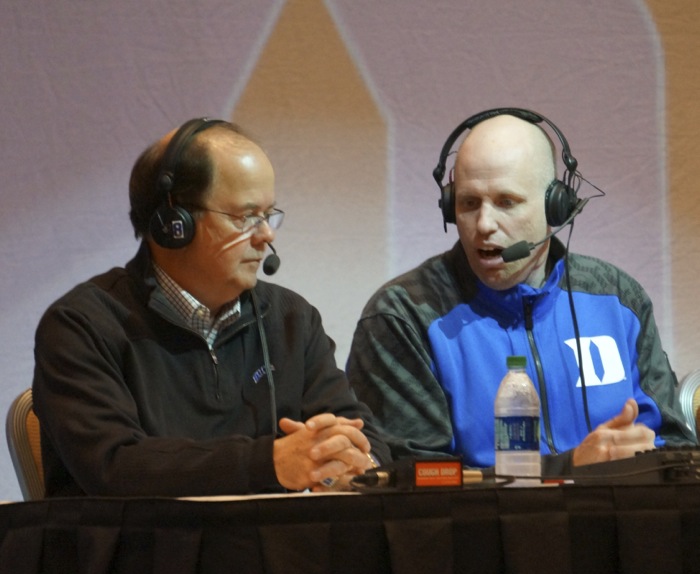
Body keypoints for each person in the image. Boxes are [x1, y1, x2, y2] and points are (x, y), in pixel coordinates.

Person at [32, 117, 389, 497]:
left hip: (267, 550)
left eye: (269, 215)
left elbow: (360, 433)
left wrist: (354, 459)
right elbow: (114, 466)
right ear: (174, 223)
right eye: (246, 216)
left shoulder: (291, 319)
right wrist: (271, 462)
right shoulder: (81, 325)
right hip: (143, 550)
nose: (267, 235)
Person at [347, 108, 696, 477]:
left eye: (506, 202)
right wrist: (570, 469)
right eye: (468, 203)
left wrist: (654, 462)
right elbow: (416, 483)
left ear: (555, 207)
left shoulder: (617, 299)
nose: (484, 224)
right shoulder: (406, 316)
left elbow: (678, 452)